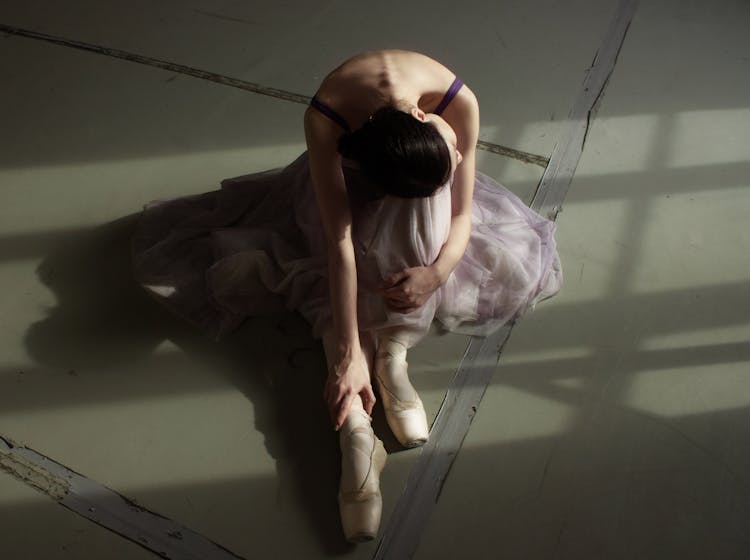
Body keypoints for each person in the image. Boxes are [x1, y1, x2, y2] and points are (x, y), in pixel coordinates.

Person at [132, 50, 562, 543]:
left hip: (416, 178)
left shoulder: (456, 101)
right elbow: (339, 244)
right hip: (338, 192)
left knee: (416, 223)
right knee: (334, 260)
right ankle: (356, 419)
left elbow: (461, 213)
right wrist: (346, 357)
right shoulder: (326, 119)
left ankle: (390, 358)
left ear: (425, 117)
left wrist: (438, 273)